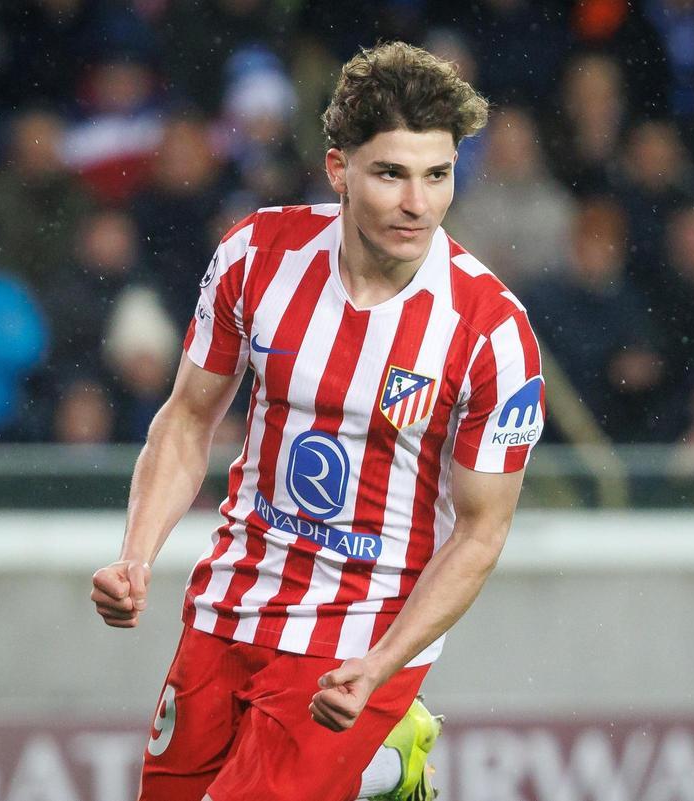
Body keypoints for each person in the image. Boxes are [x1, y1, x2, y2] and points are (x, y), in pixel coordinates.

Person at [90, 42, 545, 801]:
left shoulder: (491, 331)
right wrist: (136, 554)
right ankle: (389, 772)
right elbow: (188, 418)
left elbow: (480, 531)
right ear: (339, 169)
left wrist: (386, 662)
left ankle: (386, 736)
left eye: (438, 175)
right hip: (235, 595)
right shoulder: (256, 255)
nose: (419, 204)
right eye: (392, 174)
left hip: (361, 628)